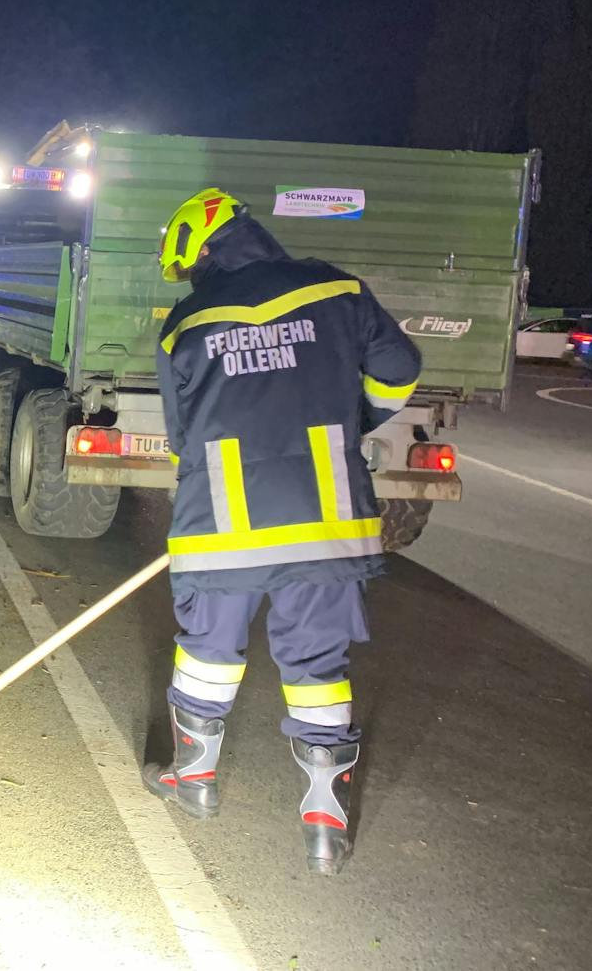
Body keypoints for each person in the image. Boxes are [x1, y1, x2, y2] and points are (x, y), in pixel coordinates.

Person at [140, 188, 421, 875]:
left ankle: (195, 782)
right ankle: (324, 824)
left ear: (199, 251)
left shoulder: (184, 324)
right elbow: (401, 371)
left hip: (223, 528)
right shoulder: (336, 289)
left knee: (208, 653)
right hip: (324, 522)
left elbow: (182, 439)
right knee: (318, 669)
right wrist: (355, 419)